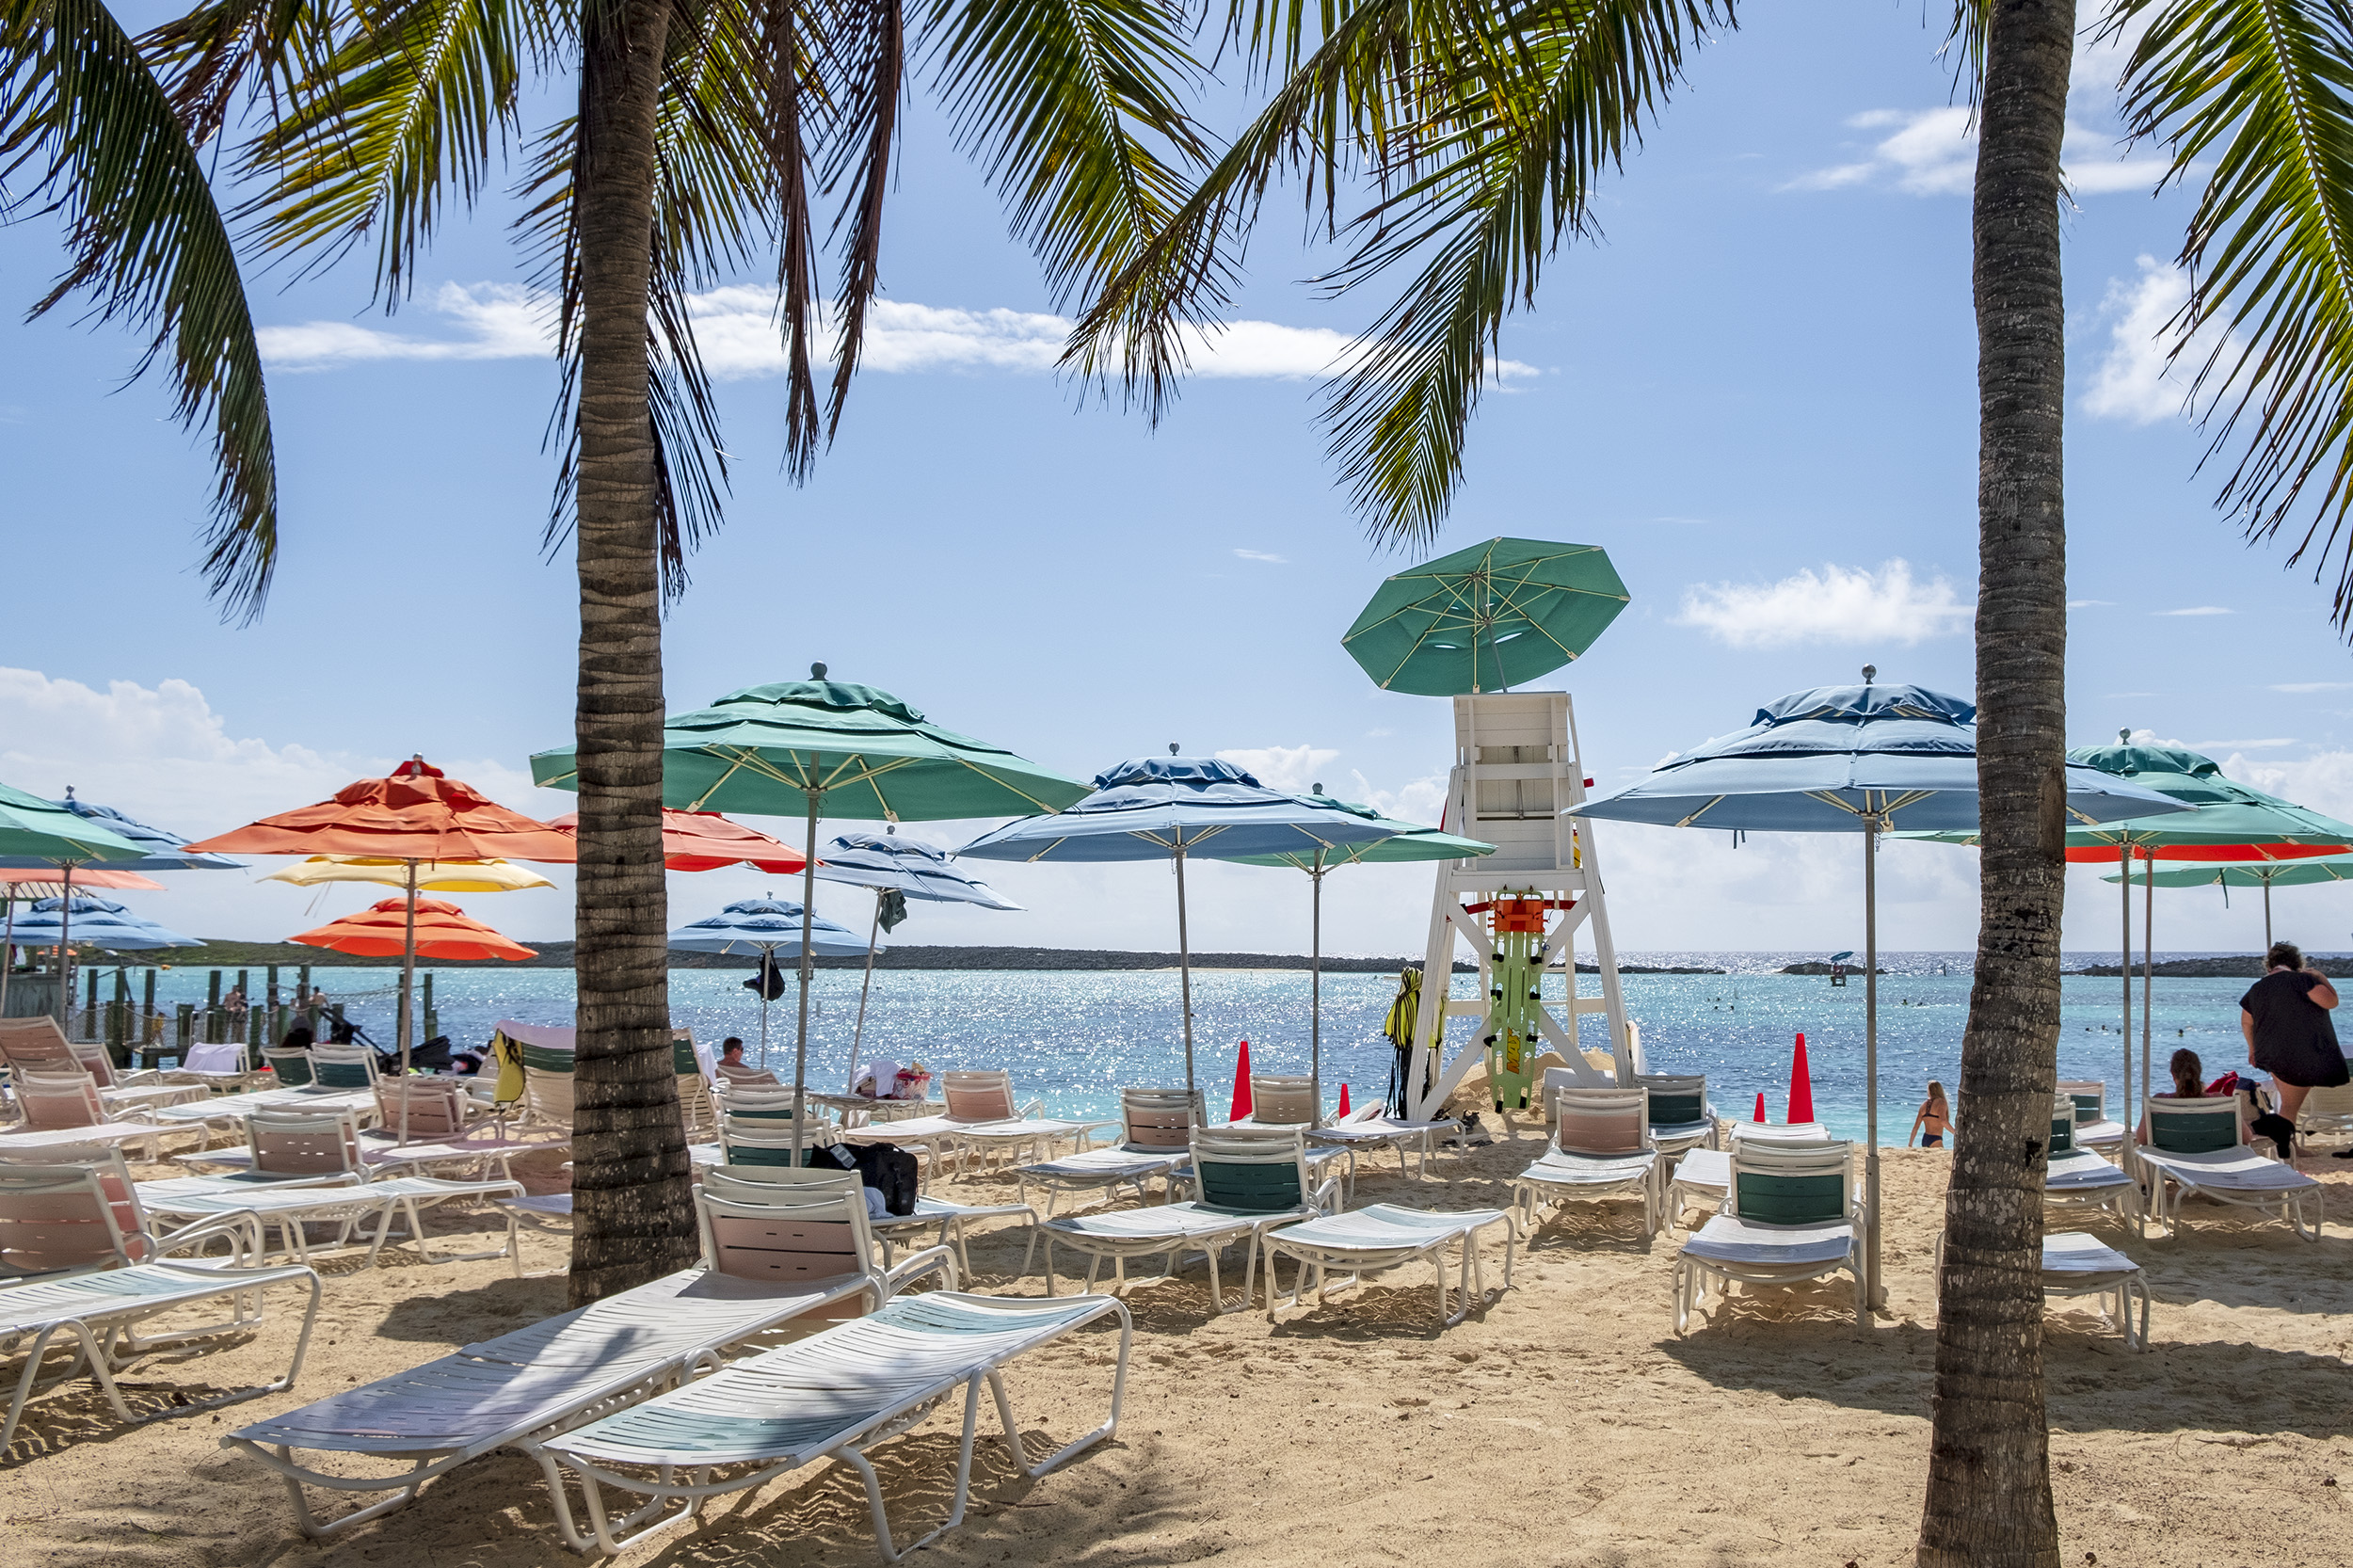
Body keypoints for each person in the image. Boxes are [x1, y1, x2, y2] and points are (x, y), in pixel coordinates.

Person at [2239, 941, 2351, 1133]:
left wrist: (2252, 1049)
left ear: (2269, 965)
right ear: (2296, 963)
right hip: (2301, 1053)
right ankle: (2285, 1147)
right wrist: (2321, 977)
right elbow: (2331, 1001)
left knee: (2289, 1103)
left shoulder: (2257, 988)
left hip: (2270, 1052)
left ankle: (2289, 1144)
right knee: (2290, 1105)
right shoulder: (2303, 981)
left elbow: (2247, 1022)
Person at [713, 1037, 777, 1087]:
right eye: (742, 1049)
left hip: (722, 1100)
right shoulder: (744, 1070)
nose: (743, 1052)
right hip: (743, 1101)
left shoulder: (715, 1068)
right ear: (735, 1051)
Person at [1909, 1080, 1952, 1148]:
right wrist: (1955, 1133)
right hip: (1936, 1139)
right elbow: (1943, 1121)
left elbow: (1916, 1127)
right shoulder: (1941, 1102)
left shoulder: (1923, 1105)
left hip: (1925, 1139)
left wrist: (1910, 1144)